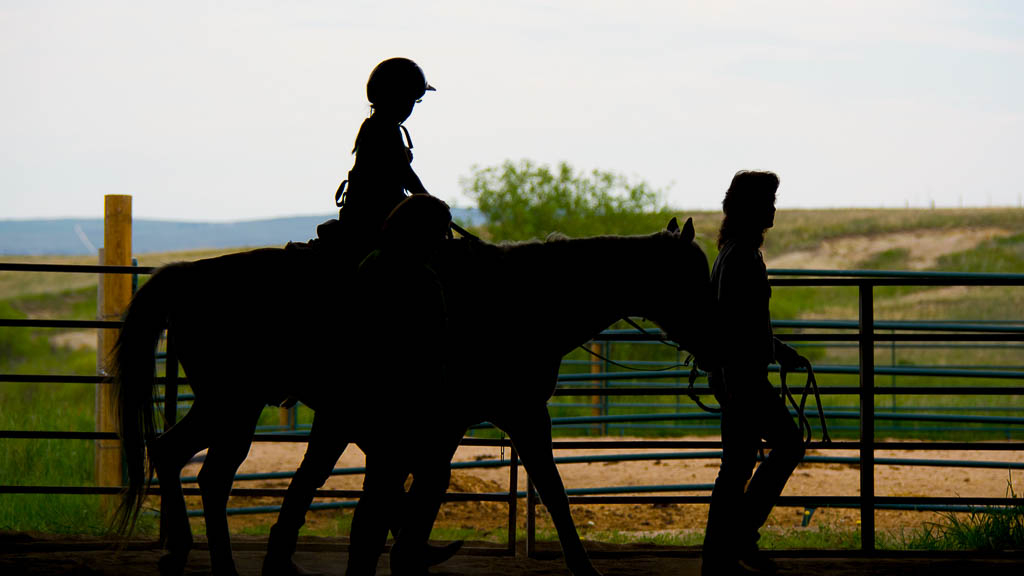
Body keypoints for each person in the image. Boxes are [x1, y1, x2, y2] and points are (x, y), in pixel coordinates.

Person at [701, 170, 810, 575]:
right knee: (785, 446)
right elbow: (735, 326)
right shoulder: (742, 256)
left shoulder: (735, 252)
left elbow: (741, 324)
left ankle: (722, 550)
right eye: (767, 201)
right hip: (742, 378)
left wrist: (778, 350)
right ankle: (736, 537)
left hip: (738, 376)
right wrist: (736, 376)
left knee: (738, 464)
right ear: (751, 208)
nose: (772, 208)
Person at [315, 57, 436, 264]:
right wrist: (431, 203)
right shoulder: (386, 129)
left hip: (363, 214)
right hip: (374, 219)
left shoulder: (373, 126)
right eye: (413, 100)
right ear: (403, 98)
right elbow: (405, 175)